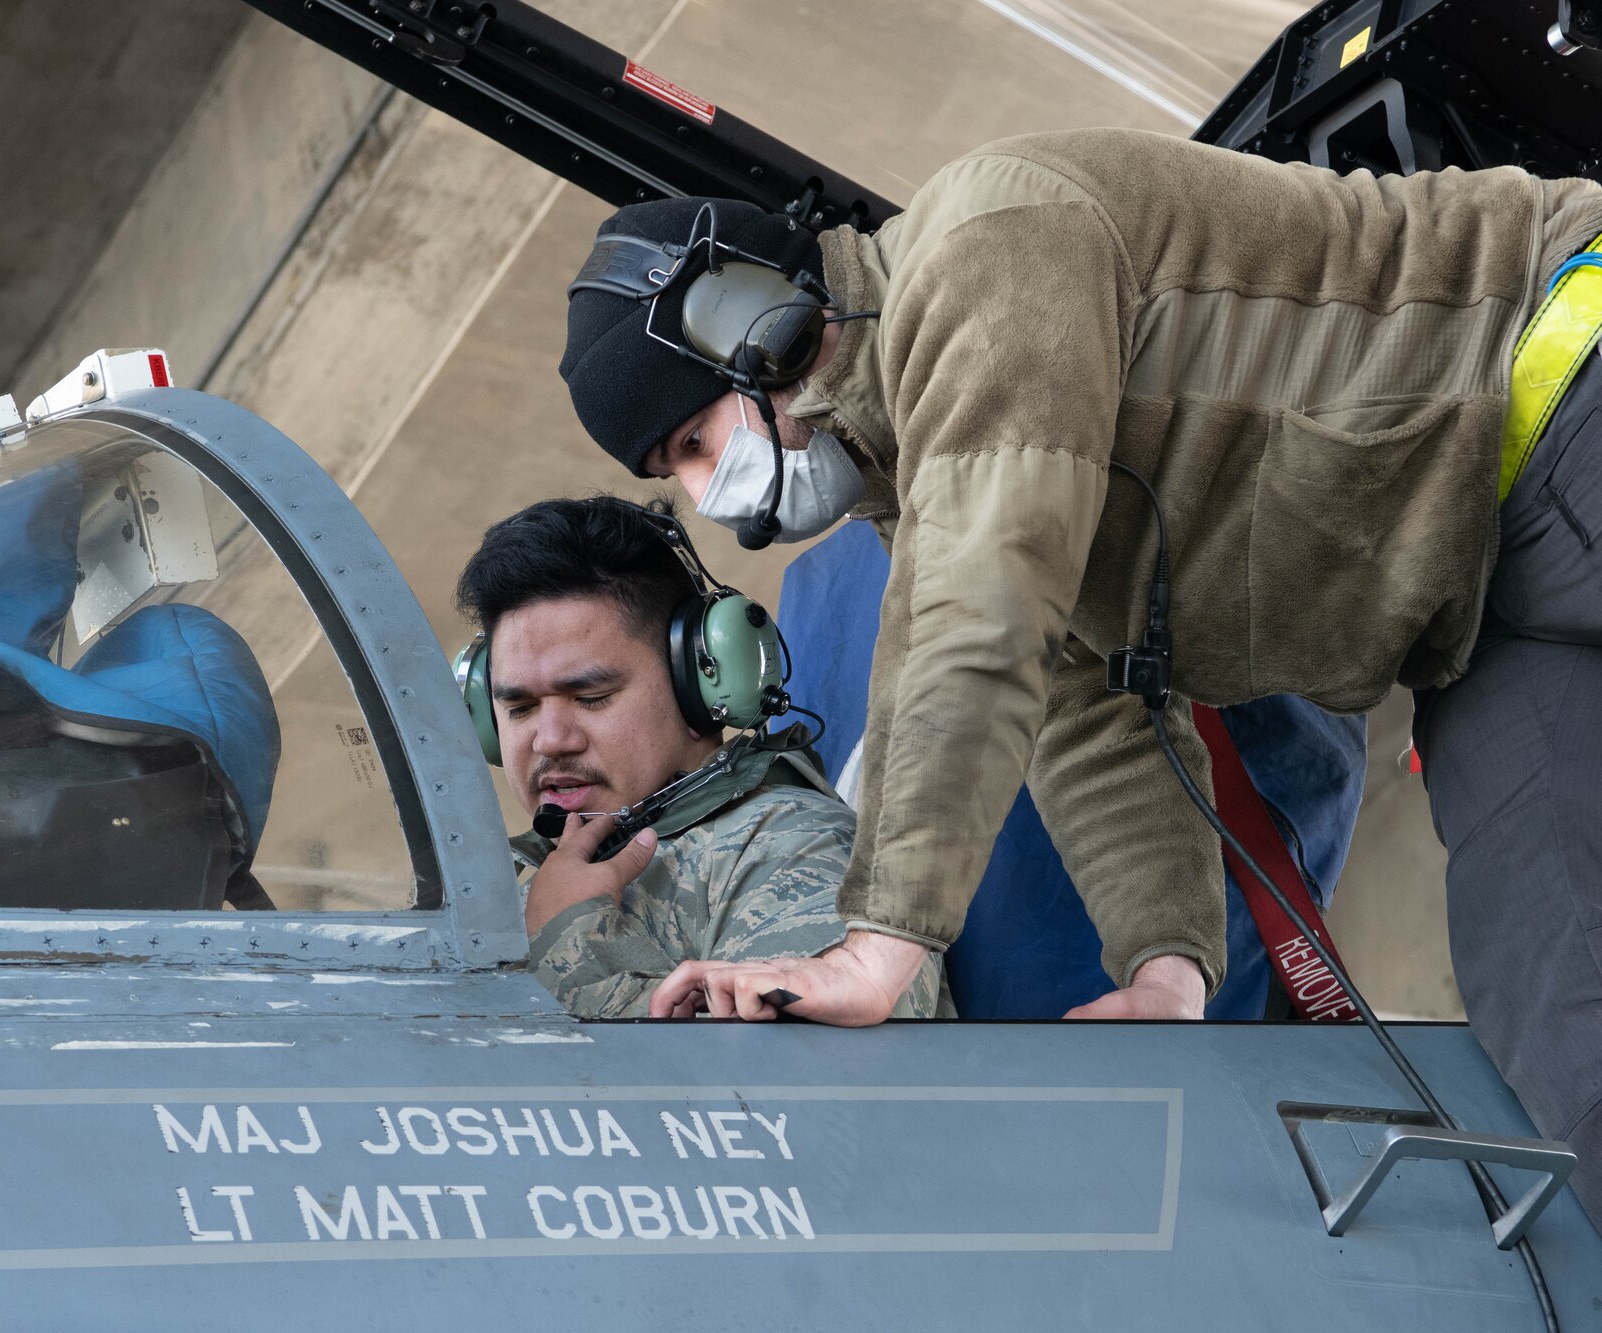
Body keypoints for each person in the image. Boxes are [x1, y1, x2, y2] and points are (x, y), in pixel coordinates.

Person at [555, 127, 1602, 1220]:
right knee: (1564, 1031)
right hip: (1478, 611)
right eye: (670, 473)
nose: (704, 489)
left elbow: (984, 618)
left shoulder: (989, 243)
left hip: (1559, 390)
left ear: (754, 326)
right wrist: (1167, 969)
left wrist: (879, 949)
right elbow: (1082, 713)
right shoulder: (909, 490)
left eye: (689, 440)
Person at [454, 496, 948, 1019]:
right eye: (520, 707)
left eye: (592, 697)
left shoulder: (787, 847)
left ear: (700, 685)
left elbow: (816, 1083)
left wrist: (568, 936)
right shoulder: (503, 888)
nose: (549, 740)